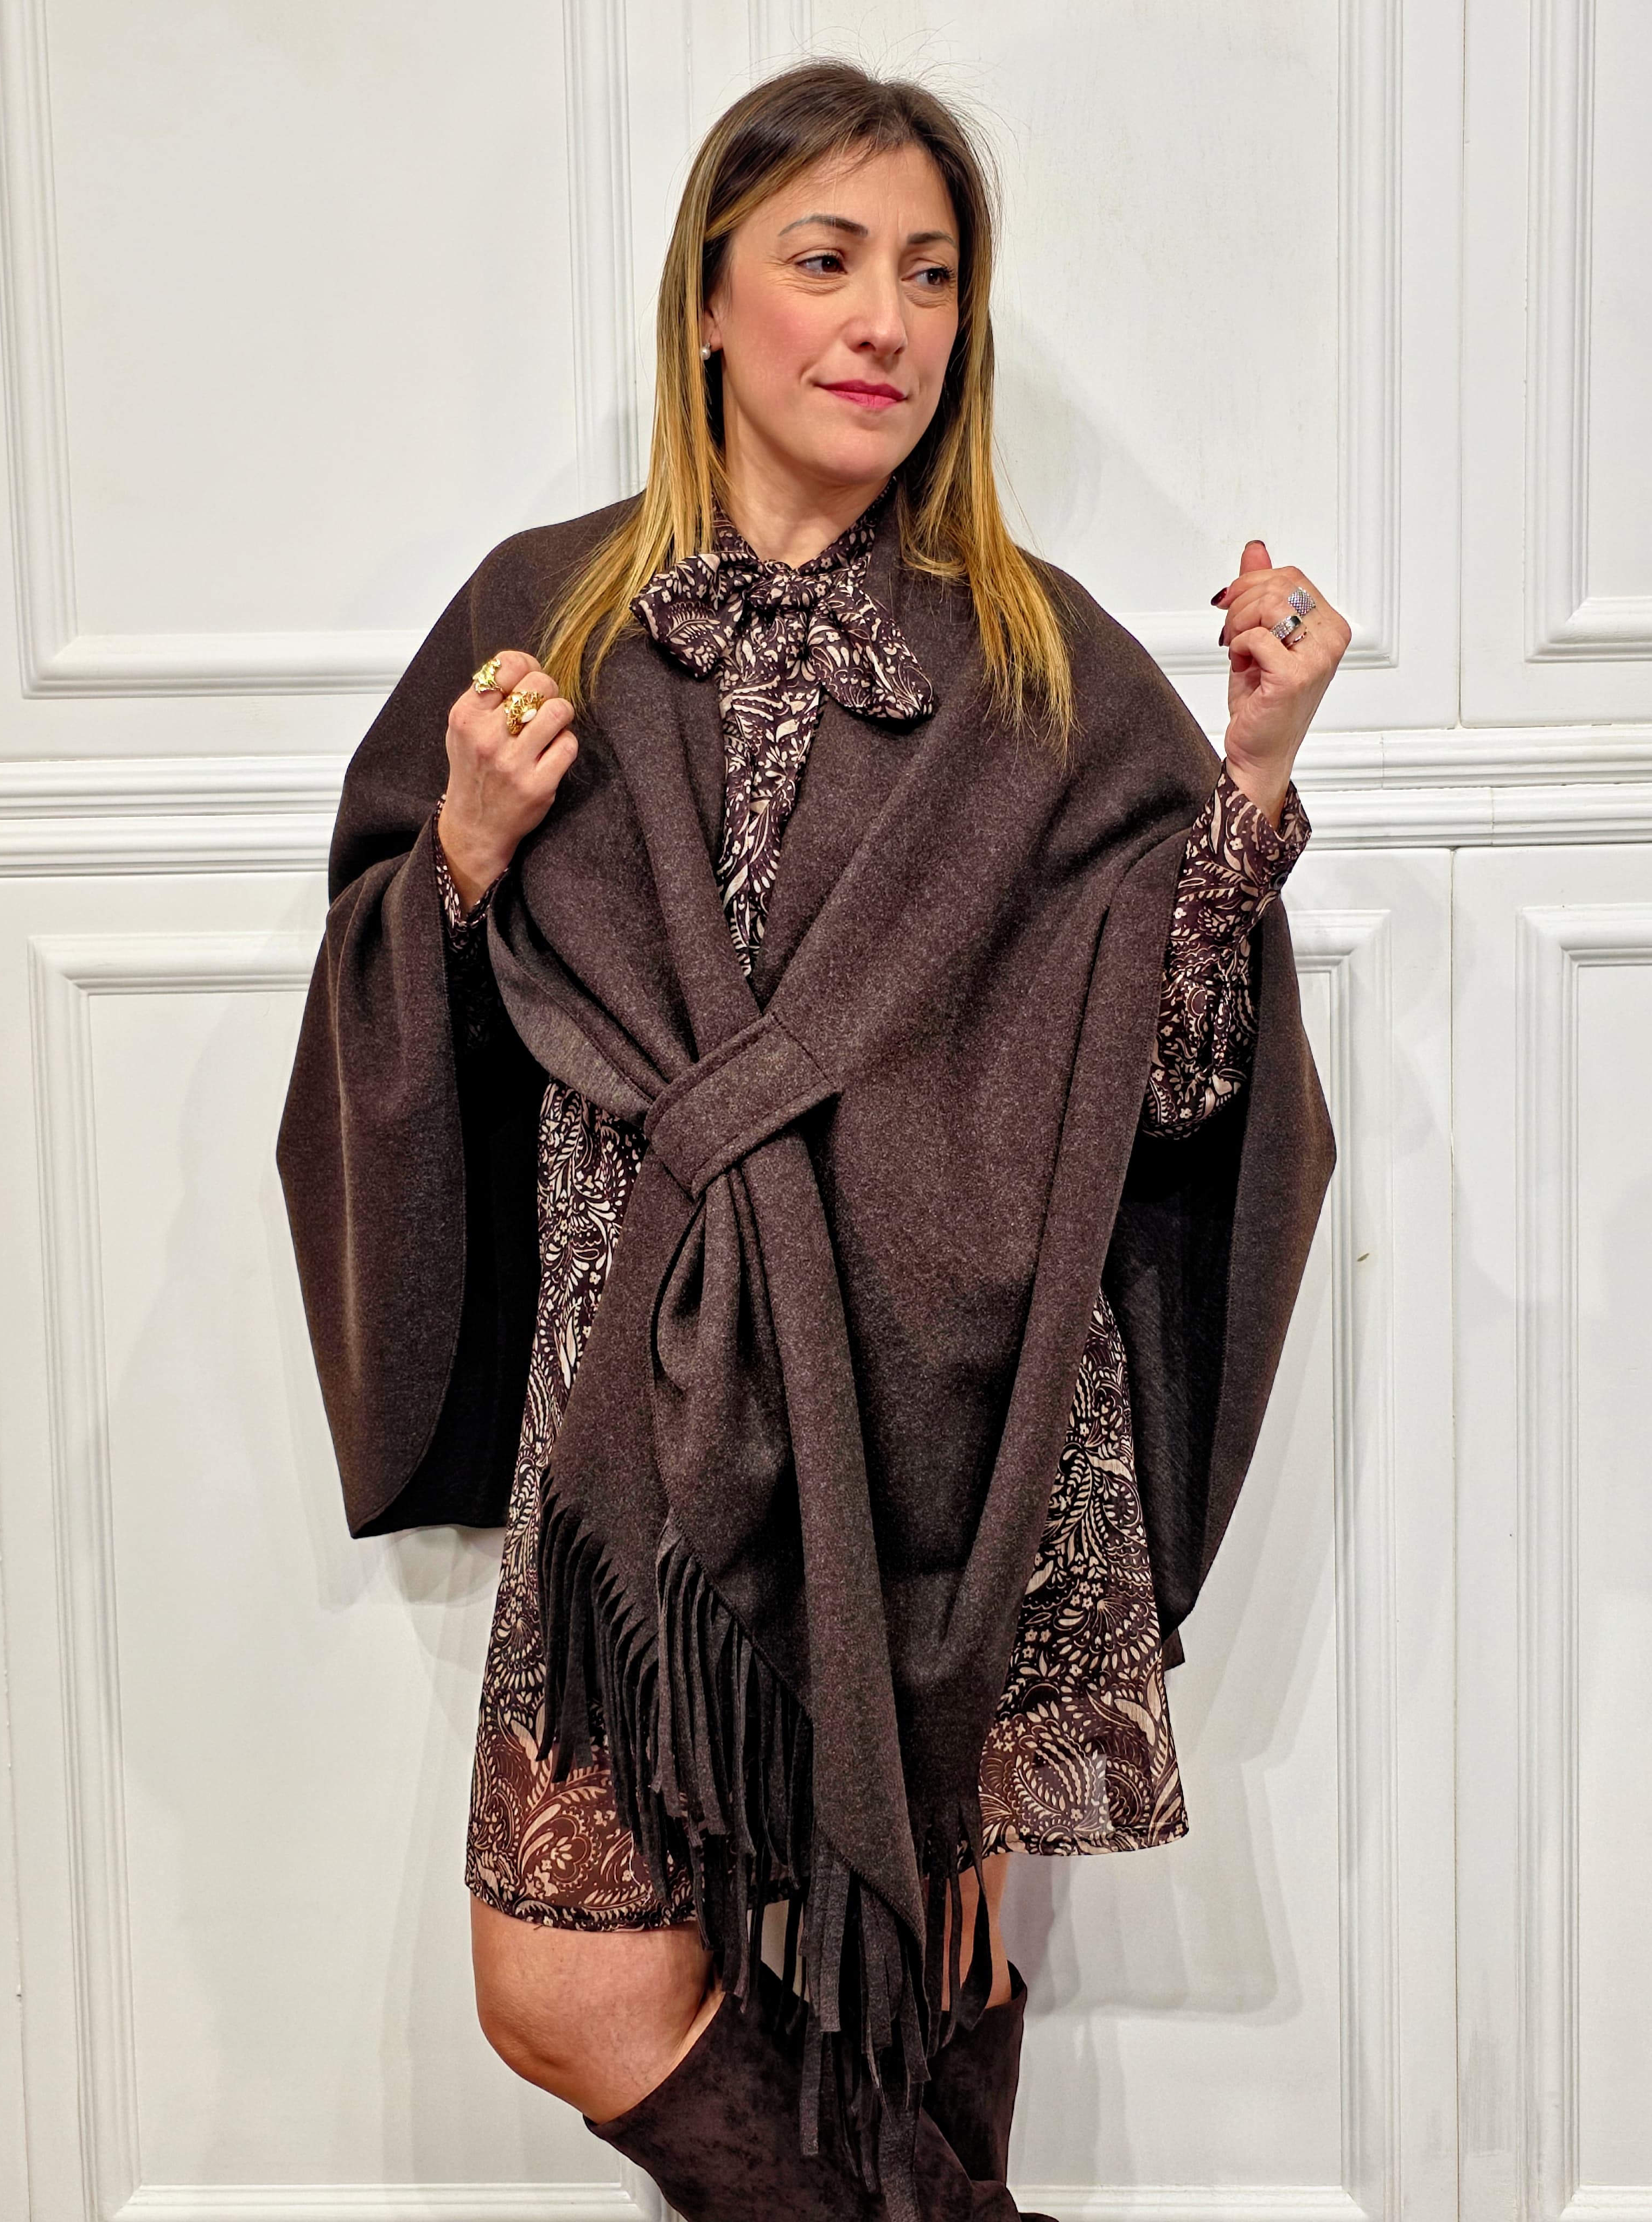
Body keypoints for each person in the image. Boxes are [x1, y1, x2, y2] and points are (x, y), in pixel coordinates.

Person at [277, 59, 1341, 2222]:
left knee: (907, 2006)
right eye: (829, 259)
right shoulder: (549, 611)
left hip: (952, 1432)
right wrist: (462, 849)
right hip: (640, 1430)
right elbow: (399, 998)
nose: (887, 322)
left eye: (932, 276)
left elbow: (1172, 1088)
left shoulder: (1039, 655)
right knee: (564, 1987)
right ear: (709, 300)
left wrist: (1249, 784)